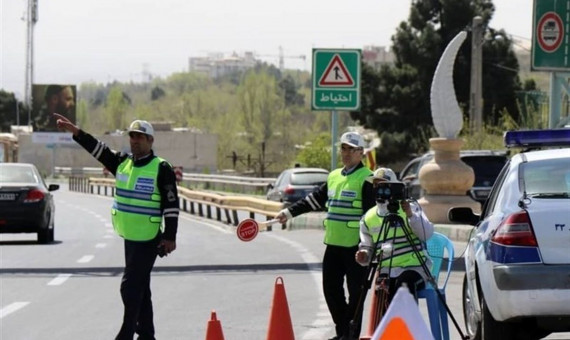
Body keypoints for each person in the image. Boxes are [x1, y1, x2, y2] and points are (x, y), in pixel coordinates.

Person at [54, 113, 179, 340]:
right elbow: (99, 149)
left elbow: (171, 204)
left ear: (150, 141)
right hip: (130, 236)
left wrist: (170, 237)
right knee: (141, 288)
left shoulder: (161, 168)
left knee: (129, 287)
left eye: (140, 137)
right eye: (132, 136)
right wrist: (77, 133)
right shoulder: (123, 163)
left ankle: (127, 332)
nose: (135, 140)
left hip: (149, 238)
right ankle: (147, 334)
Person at [276, 131, 375, 340]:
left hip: (356, 248)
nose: (346, 153)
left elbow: (371, 215)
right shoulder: (334, 176)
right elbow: (313, 200)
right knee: (331, 291)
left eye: (351, 149)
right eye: (343, 148)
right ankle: (343, 332)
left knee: (356, 295)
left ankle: (350, 335)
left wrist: (368, 246)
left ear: (361, 153)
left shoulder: (367, 179)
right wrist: (288, 213)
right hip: (334, 245)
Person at [355, 167, 434, 314]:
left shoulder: (409, 207)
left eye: (384, 185)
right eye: (376, 186)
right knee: (386, 288)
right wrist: (363, 255)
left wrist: (410, 215)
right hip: (387, 271)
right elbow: (367, 250)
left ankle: (406, 329)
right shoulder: (368, 218)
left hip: (415, 268)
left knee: (403, 285)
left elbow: (427, 234)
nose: (380, 190)